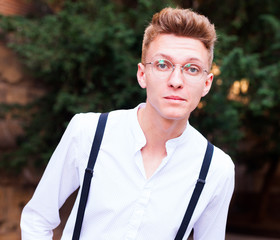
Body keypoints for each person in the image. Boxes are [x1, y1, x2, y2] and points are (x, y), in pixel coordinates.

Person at [21, 7, 235, 240]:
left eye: (192, 69)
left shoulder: (216, 168)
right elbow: (37, 219)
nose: (176, 81)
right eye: (163, 65)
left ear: (207, 83)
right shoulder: (89, 132)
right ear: (142, 75)